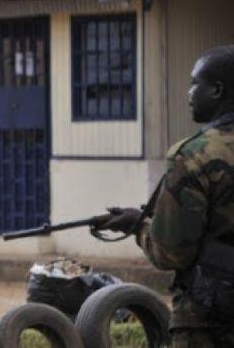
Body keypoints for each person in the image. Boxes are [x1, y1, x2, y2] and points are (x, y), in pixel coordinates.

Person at [99, 45, 234, 347]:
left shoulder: (194, 154)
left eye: (195, 83)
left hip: (212, 320)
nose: (189, 93)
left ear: (217, 90)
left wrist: (140, 229)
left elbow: (172, 252)